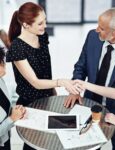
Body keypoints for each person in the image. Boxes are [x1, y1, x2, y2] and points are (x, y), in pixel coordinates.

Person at [64, 8, 115, 150]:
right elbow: (80, 66)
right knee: (90, 145)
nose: (96, 30)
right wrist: (75, 90)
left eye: (102, 28)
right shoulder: (92, 37)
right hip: (91, 106)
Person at [6, 2, 81, 150]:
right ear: (26, 25)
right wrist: (61, 82)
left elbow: (46, 69)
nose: (45, 25)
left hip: (47, 98)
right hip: (30, 104)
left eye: (45, 20)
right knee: (32, 143)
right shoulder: (17, 47)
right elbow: (35, 82)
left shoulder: (42, 37)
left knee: (47, 140)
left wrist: (53, 91)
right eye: (40, 23)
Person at [0, 46, 26, 150]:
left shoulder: (1, 80)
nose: (4, 65)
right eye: (2, 63)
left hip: (5, 138)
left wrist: (16, 110)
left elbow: (5, 103)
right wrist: (12, 118)